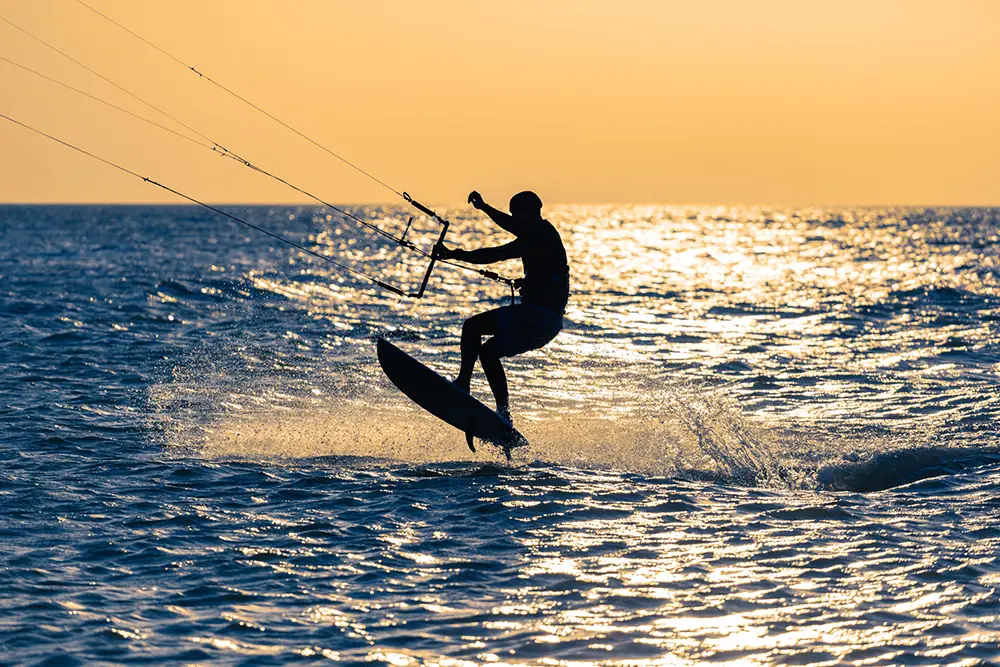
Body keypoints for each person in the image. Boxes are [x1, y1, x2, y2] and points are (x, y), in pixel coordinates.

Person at [434, 190, 569, 426]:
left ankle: (463, 384)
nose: (513, 221)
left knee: (473, 326)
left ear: (529, 214)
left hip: (536, 317)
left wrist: (454, 254)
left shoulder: (538, 237)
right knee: (488, 353)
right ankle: (503, 413)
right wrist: (484, 208)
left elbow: (497, 253)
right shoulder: (543, 233)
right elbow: (513, 228)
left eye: (517, 216)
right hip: (549, 324)